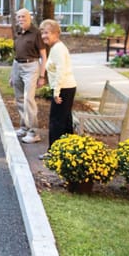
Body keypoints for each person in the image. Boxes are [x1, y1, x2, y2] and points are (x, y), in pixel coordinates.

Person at [38, 19, 77, 159]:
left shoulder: (58, 49)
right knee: (65, 120)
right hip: (66, 87)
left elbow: (61, 71)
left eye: (46, 32)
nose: (44, 36)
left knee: (56, 121)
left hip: (64, 89)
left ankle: (53, 152)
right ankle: (68, 151)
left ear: (55, 33)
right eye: (42, 33)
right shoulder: (56, 47)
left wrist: (56, 92)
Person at [10, 8, 47, 144]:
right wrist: (11, 75)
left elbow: (43, 55)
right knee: (19, 98)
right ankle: (24, 127)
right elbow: (16, 54)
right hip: (17, 66)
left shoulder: (36, 33)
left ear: (29, 17)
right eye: (19, 17)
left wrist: (42, 76)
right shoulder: (18, 32)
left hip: (31, 66)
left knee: (28, 99)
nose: (21, 19)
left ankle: (34, 132)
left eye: (23, 17)